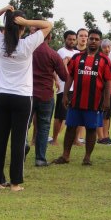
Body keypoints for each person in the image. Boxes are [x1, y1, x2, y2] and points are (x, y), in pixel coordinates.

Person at [0, 4, 52, 191]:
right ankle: (15, 183)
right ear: (22, 28)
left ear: (6, 27)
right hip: (22, 97)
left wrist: (4, 10)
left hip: (2, 96)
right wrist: (26, 21)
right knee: (18, 140)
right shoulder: (26, 45)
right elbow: (48, 25)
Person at [53, 29, 111, 165]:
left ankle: (87, 158)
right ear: (88, 40)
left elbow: (108, 81)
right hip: (76, 100)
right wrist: (65, 95)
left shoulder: (104, 60)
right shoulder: (77, 57)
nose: (93, 41)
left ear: (100, 42)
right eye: (91, 38)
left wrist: (107, 100)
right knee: (70, 128)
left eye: (96, 39)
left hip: (94, 102)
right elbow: (70, 77)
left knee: (91, 129)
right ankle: (65, 156)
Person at [31, 29, 68, 166]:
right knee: (44, 127)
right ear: (50, 37)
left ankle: (22, 148)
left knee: (23, 125)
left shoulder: (28, 51)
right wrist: (65, 64)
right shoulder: (53, 54)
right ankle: (40, 159)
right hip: (46, 95)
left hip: (28, 93)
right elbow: (64, 76)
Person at [52, 30, 77, 145]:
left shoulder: (77, 53)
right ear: (65, 39)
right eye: (69, 39)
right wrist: (56, 81)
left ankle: (75, 139)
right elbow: (59, 67)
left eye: (73, 39)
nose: (72, 41)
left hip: (75, 88)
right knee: (60, 115)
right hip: (64, 88)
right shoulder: (61, 51)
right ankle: (54, 139)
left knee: (75, 115)